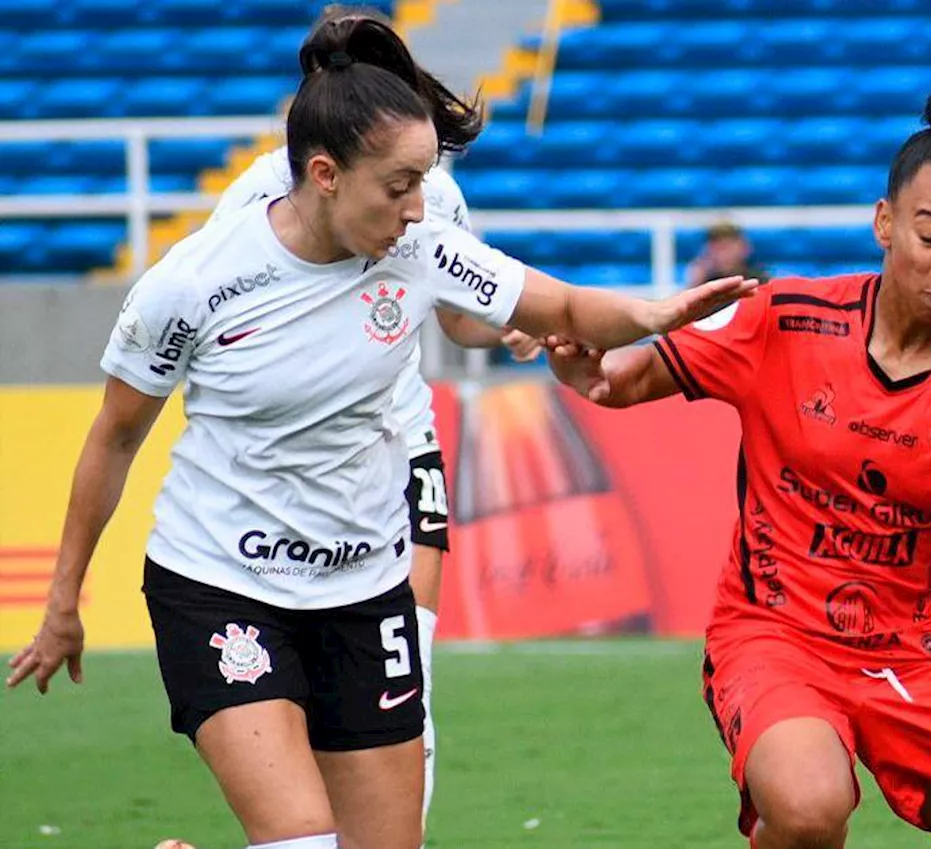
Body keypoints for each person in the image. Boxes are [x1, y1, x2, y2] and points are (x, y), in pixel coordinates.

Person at [5, 20, 757, 849]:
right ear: (323, 175)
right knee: (301, 840)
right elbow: (113, 437)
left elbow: (564, 306)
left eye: (422, 184)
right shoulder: (195, 284)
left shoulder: (419, 243)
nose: (417, 206)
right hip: (220, 583)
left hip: (365, 589)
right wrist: (63, 600)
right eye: (399, 186)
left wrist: (656, 313)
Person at [546, 70, 931, 849]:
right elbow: (622, 379)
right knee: (809, 805)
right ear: (884, 221)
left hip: (924, 662)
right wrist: (587, 370)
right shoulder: (788, 320)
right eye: (930, 232)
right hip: (777, 636)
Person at [206, 7, 540, 834]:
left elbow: (461, 315)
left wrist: (518, 324)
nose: (408, 199)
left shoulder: (435, 196)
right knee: (311, 719)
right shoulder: (254, 198)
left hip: (397, 457)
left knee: (406, 685)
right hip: (283, 494)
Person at [686, 219, 770, 289]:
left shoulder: (759, 280)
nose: (722, 255)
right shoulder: (706, 283)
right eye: (716, 248)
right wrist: (695, 283)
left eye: (726, 247)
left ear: (744, 248)